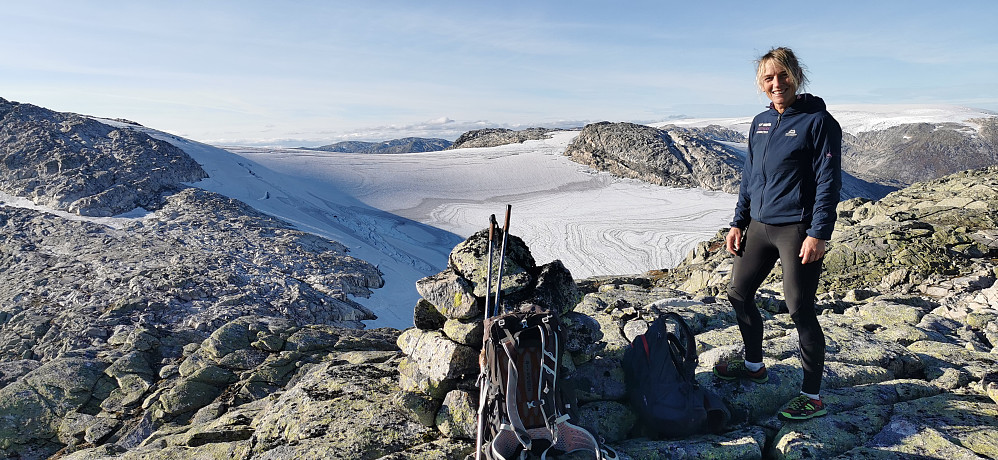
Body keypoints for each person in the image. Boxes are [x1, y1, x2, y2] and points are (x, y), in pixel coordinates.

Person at [712, 47, 842, 421]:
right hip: (760, 225)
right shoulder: (760, 122)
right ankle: (754, 365)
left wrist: (818, 233)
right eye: (768, 78)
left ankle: (812, 395)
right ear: (761, 83)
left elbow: (827, 183)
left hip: (796, 229)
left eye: (782, 75)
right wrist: (738, 222)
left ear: (796, 76)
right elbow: (750, 177)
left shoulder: (818, 121)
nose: (776, 83)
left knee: (799, 308)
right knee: (738, 292)